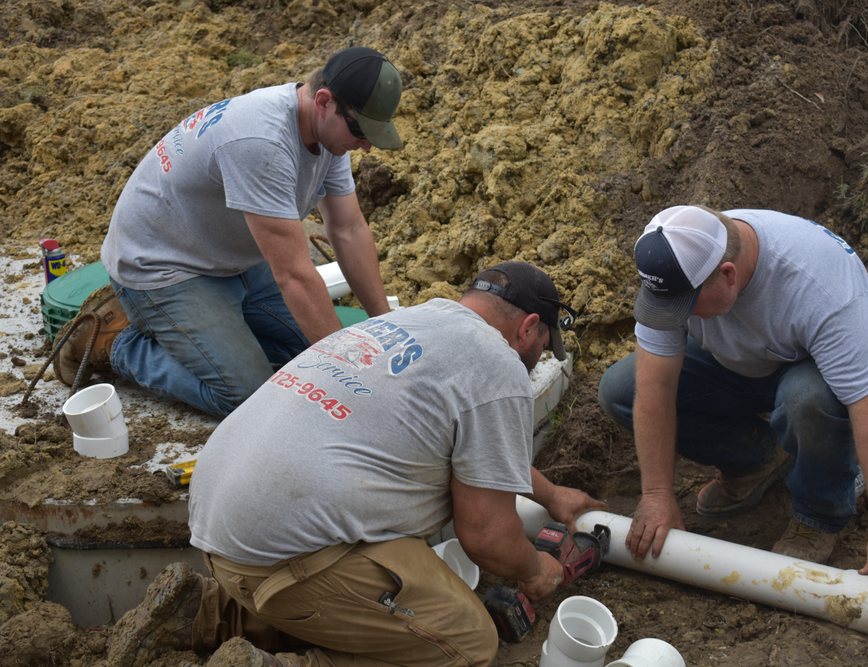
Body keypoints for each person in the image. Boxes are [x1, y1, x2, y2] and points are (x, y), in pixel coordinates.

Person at [105, 261, 603, 667]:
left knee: (366, 569)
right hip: (282, 559)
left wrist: (551, 495)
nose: (538, 360)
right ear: (529, 327)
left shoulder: (411, 321)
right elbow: (487, 537)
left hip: (221, 525)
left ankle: (205, 613)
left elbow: (482, 452)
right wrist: (534, 569)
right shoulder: (497, 363)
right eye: (542, 349)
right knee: (466, 644)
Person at [54, 46, 404, 418]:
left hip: (229, 256)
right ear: (323, 100)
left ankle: (212, 339)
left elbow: (348, 228)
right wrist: (345, 370)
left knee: (306, 362)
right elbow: (294, 276)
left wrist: (385, 327)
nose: (365, 144)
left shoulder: (328, 133)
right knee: (249, 396)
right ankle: (119, 342)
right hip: (163, 268)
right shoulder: (262, 144)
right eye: (361, 131)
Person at [598, 205, 868, 603]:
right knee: (620, 391)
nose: (676, 315)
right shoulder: (676, 263)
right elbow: (654, 389)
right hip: (745, 357)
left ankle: (821, 513)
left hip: (826, 368)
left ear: (728, 275)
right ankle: (758, 459)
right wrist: (657, 494)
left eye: (685, 305)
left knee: (806, 401)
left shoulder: (817, 287)